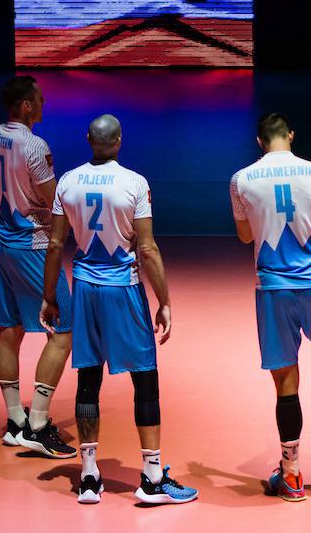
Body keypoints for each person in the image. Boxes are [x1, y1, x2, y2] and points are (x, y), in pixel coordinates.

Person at [42, 115, 198, 505]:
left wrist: (49, 296)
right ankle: (151, 477)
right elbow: (146, 248)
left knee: (88, 378)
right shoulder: (134, 182)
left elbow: (55, 245)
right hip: (122, 290)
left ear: (88, 141)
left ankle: (90, 477)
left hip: (86, 290)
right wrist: (164, 301)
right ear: (119, 141)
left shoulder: (68, 182)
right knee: (145, 378)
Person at [229, 113, 311, 502]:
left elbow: (244, 234)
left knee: (286, 384)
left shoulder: (242, 179)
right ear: (291, 136)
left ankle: (293, 475)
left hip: (273, 289)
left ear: (259, 142)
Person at [0, 76, 75, 458]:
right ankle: (37, 424)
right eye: (38, 98)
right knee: (63, 330)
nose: (43, 101)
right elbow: (52, 199)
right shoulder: (35, 145)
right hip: (32, 243)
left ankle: (14, 421)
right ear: (25, 105)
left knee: (11, 328)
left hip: (2, 240)